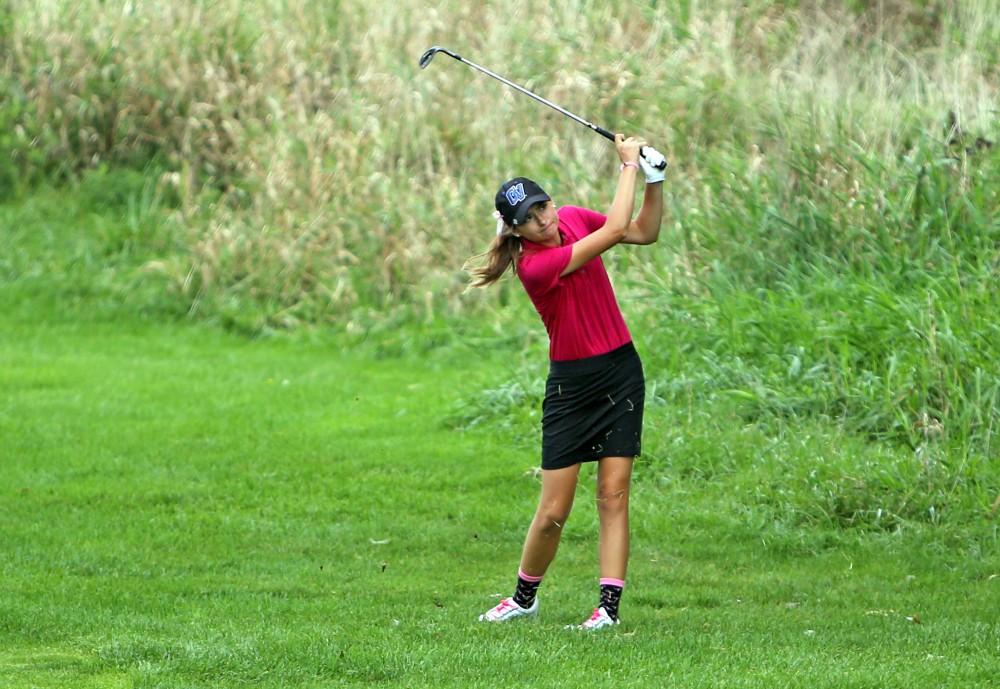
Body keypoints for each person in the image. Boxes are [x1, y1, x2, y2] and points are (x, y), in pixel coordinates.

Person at [469, 134, 666, 630]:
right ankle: (523, 596)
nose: (543, 218)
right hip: (571, 389)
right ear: (515, 231)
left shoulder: (574, 216)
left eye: (543, 206)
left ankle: (608, 610)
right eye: (530, 218)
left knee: (613, 495)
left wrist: (654, 179)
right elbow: (617, 225)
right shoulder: (535, 267)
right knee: (555, 508)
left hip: (620, 372)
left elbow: (641, 231)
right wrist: (627, 167)